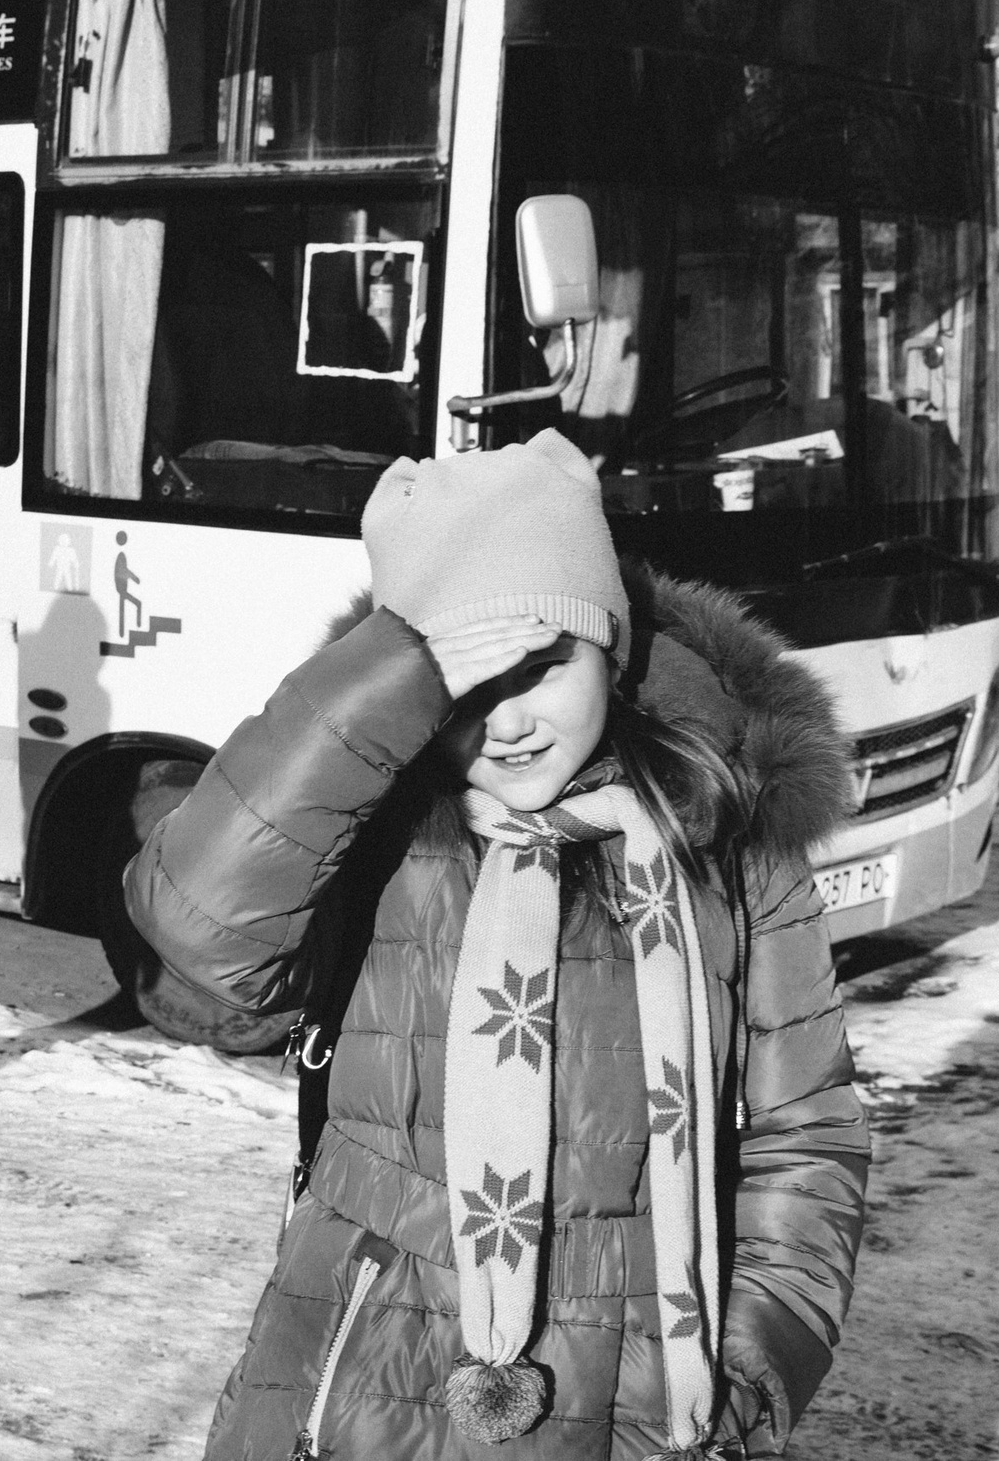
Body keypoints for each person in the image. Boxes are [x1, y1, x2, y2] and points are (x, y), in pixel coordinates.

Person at [126, 428, 867, 1458]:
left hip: (648, 1396)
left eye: (542, 666)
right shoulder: (375, 827)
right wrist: (384, 676)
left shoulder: (725, 827)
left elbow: (808, 1128)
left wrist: (752, 1363)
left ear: (605, 647)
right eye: (467, 687)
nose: (507, 723)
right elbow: (201, 931)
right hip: (366, 1386)